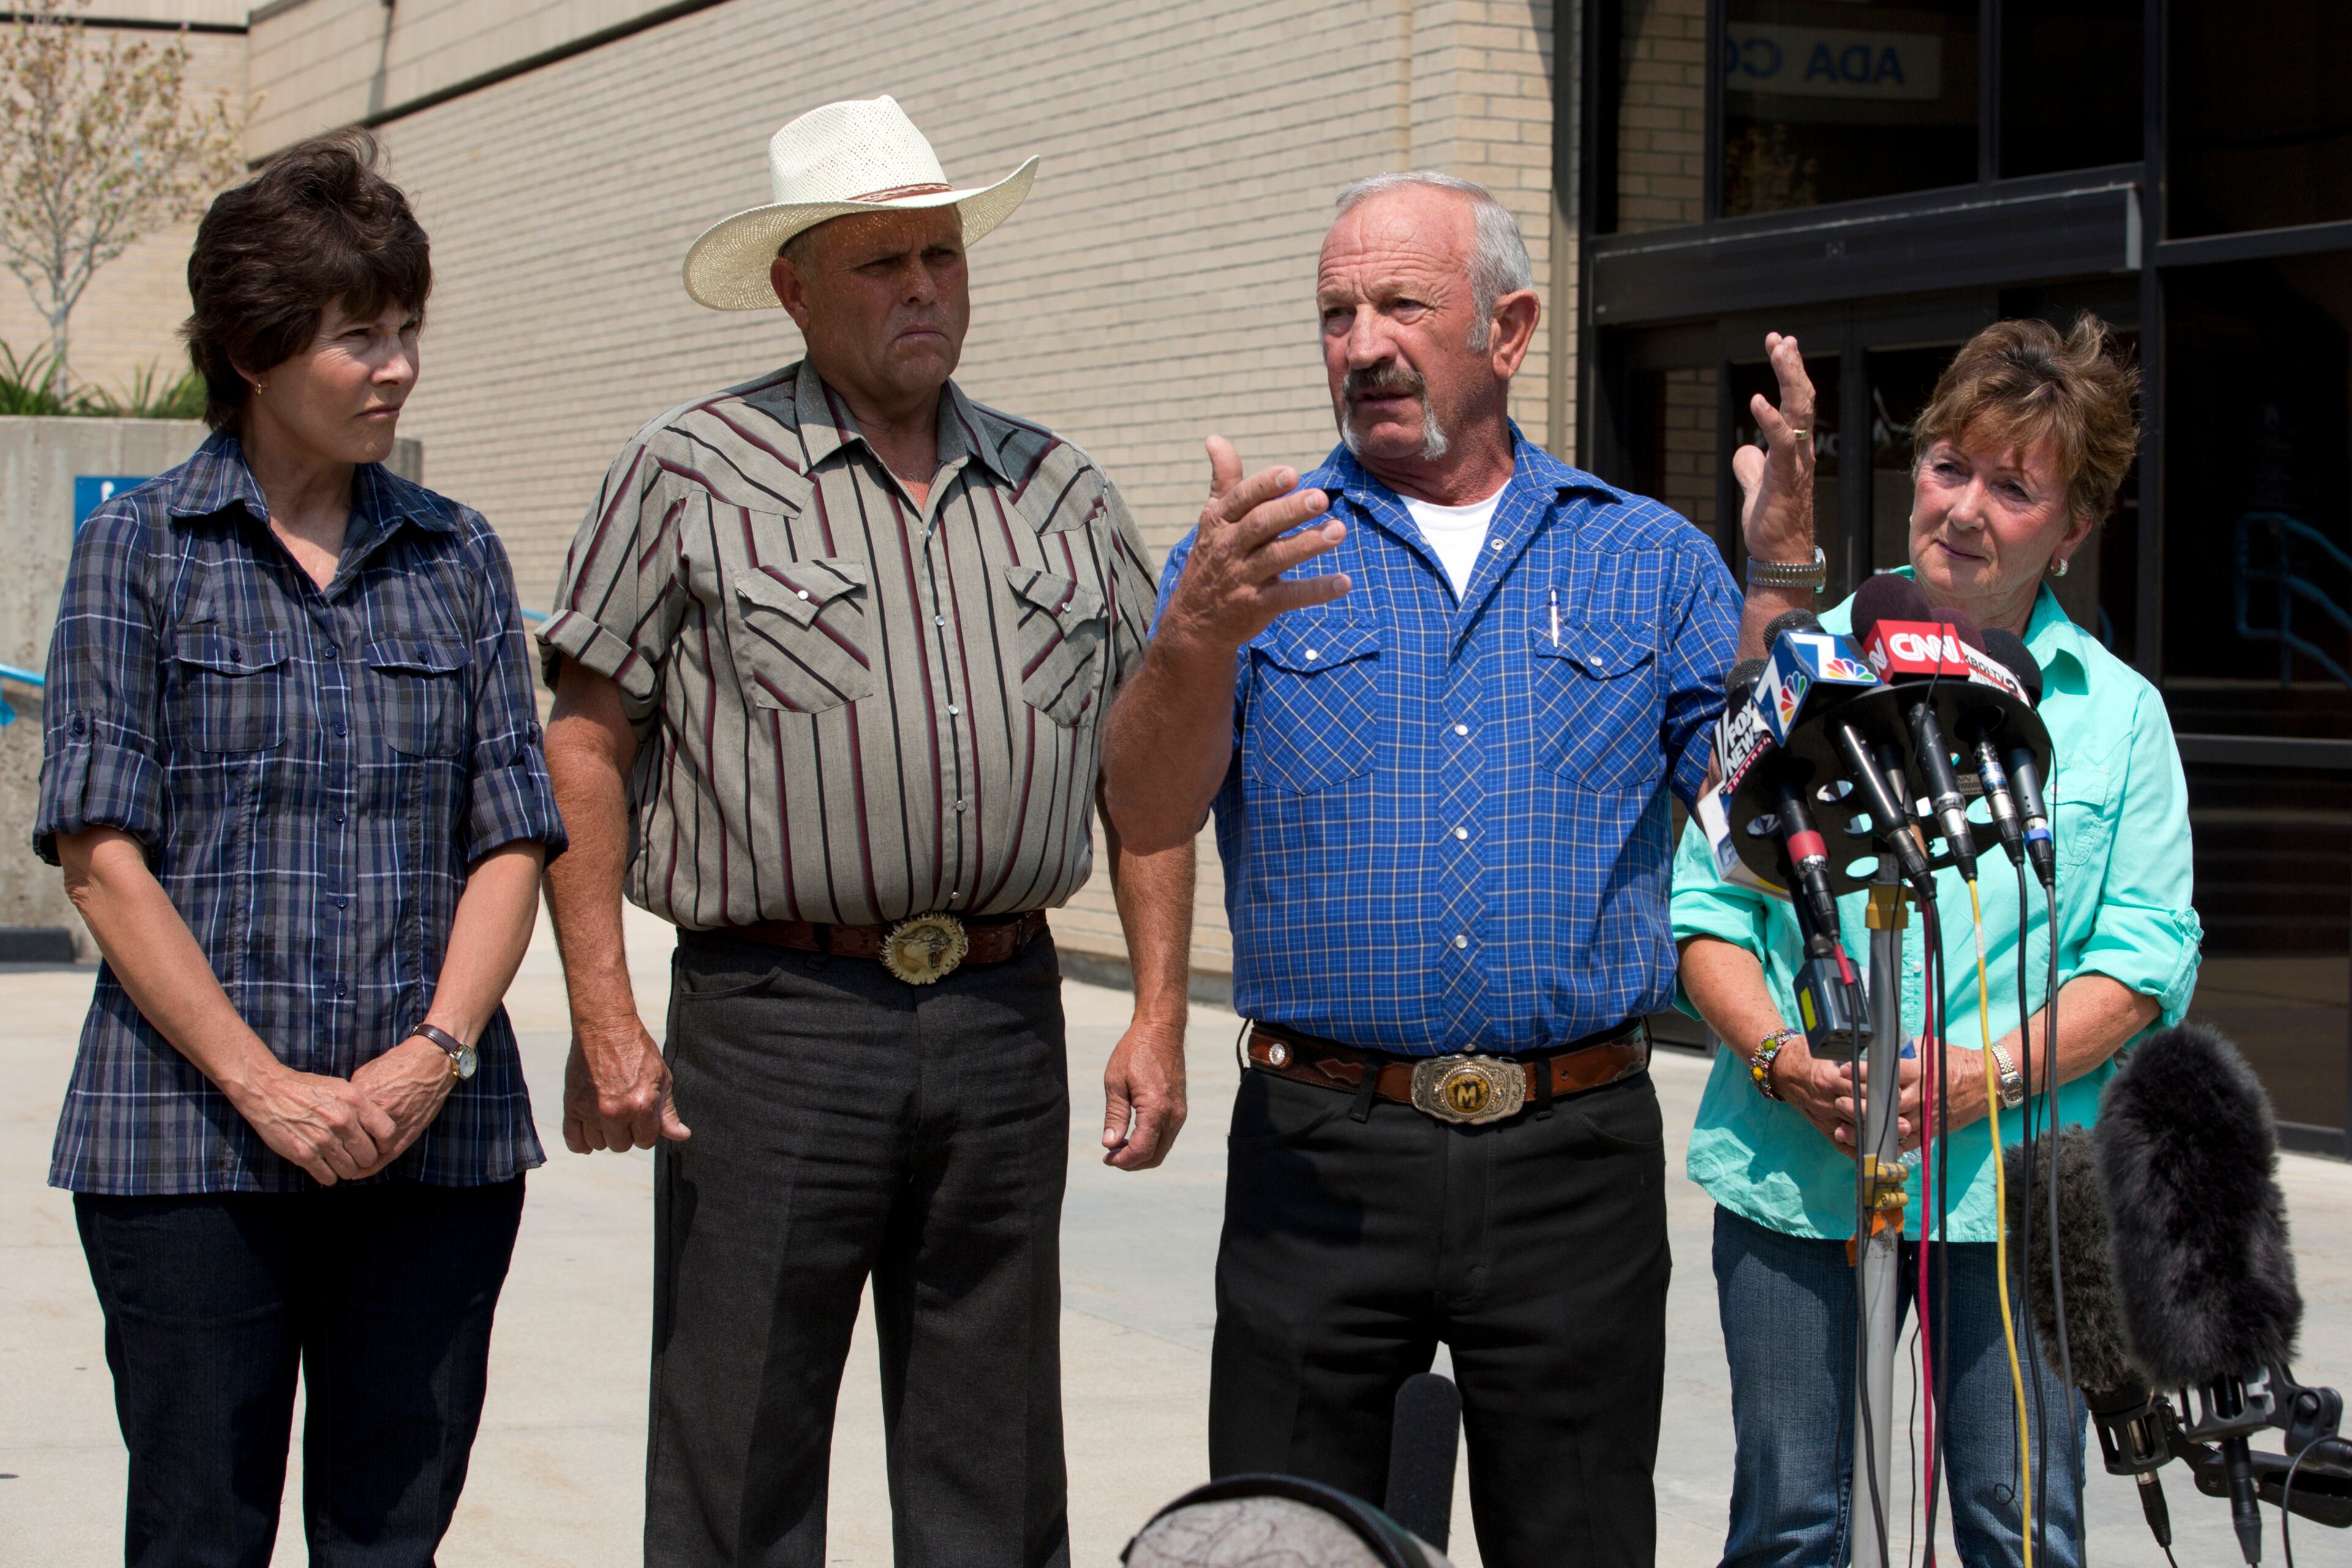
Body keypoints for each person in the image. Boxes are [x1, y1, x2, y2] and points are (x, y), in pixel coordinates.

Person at [1098, 170, 1819, 1568]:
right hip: (1322, 1151)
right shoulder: (1252, 552)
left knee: (1580, 1538)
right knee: (1285, 1545)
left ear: (1510, 327)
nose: (1361, 340)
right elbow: (1144, 800)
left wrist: (1780, 566)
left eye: (1400, 304)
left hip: (1574, 1157)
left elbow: (1758, 824)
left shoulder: (1644, 555)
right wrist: (1193, 635)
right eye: (1334, 312)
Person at [537, 96, 1193, 1568]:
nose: (923, 292)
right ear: (794, 283)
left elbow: (1141, 772)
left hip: (1002, 1018)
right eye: (883, 263)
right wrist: (605, 1014)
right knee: (741, 1445)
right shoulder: (688, 472)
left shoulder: (1061, 487)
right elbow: (582, 745)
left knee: (996, 1459)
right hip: (773, 1024)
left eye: (943, 259)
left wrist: (1158, 1008)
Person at [34, 130, 565, 1567]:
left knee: (389, 1529)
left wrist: (435, 1053)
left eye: (407, 330)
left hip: (432, 1143)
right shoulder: (140, 550)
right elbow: (99, 854)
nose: (395, 366)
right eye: (357, 335)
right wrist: (261, 1085)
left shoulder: (458, 555)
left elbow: (513, 833)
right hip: (187, 1147)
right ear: (258, 348)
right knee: (198, 1527)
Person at [1673, 315, 2201, 1568]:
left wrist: (1983, 1077)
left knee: (2021, 1531)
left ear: (2071, 529)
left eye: (2013, 488)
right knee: (1792, 1522)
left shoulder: (2118, 716)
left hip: (2013, 1192)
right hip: (1800, 1179)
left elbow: (2142, 959)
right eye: (1950, 465)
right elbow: (1708, 911)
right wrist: (1781, 1060)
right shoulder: (1804, 666)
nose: (1963, 508)